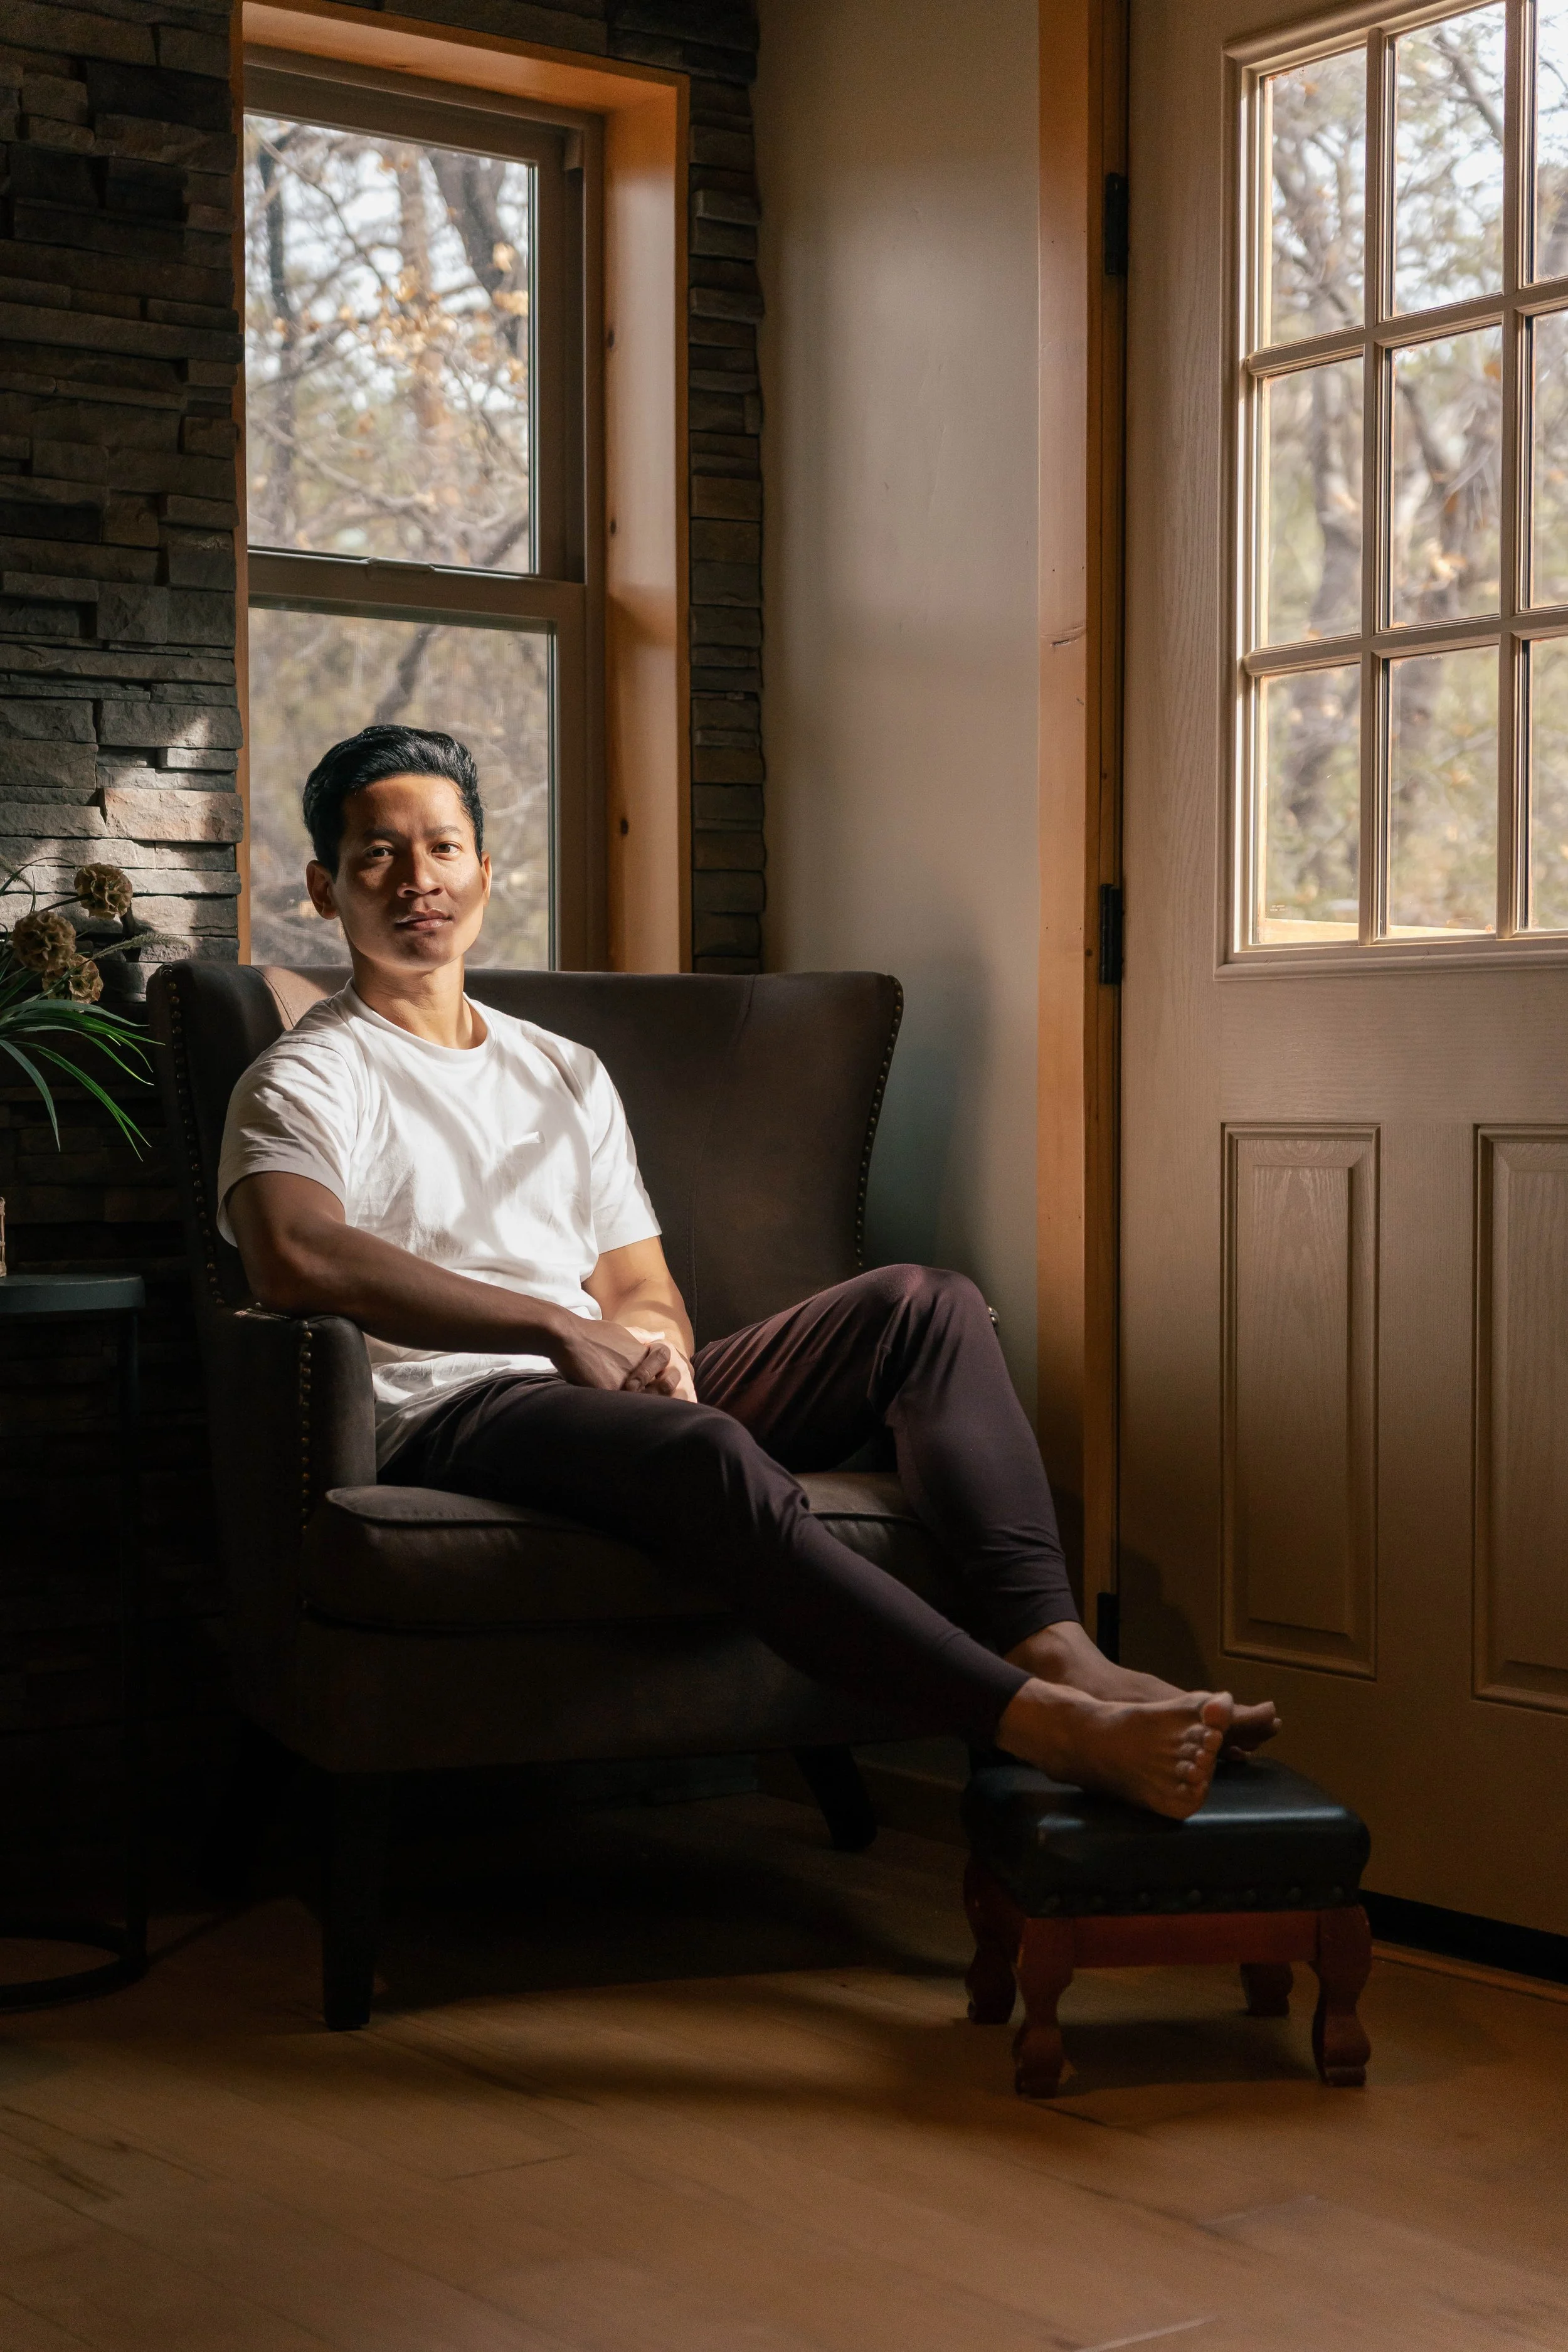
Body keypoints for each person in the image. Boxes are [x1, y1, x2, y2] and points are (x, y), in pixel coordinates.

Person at [221, 726, 1279, 1820]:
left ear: (486, 872)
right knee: (705, 1448)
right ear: (325, 887)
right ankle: (1040, 1724)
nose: (418, 881)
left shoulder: (561, 1070)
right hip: (453, 1409)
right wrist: (554, 1329)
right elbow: (292, 1251)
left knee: (928, 1305)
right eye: (379, 855)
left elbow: (640, 1284)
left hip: (604, 1397)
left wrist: (654, 1352)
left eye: (443, 849)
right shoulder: (308, 1073)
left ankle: (1065, 1655)